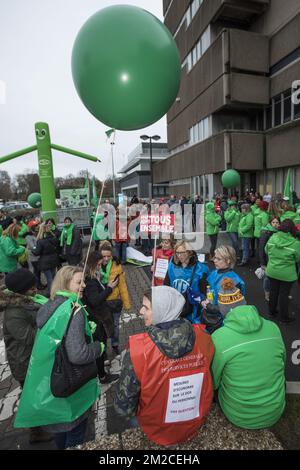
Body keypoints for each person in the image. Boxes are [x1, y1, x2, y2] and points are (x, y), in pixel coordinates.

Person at [14, 266, 102, 450]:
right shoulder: (74, 310)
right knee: (75, 435)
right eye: (79, 282)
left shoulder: (50, 304)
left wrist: (81, 333)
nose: (84, 285)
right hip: (71, 392)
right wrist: (98, 347)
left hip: (51, 386)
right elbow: (78, 355)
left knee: (60, 435)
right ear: (66, 283)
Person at [114, 286, 215, 447]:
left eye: (146, 307)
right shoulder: (204, 337)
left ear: (162, 311)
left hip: (154, 428)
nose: (140, 311)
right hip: (193, 422)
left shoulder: (139, 350)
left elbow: (123, 406)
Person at [211, 305, 286, 429]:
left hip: (237, 415)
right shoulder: (273, 328)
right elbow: (283, 363)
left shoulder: (218, 336)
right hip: (274, 411)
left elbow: (214, 382)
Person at [1, 268, 52, 444]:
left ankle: (42, 422)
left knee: (39, 393)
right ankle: (36, 432)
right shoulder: (14, 313)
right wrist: (49, 321)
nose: (36, 290)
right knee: (33, 397)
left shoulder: (27, 302)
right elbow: (30, 337)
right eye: (31, 288)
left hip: (33, 359)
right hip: (25, 363)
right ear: (21, 291)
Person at [83, 251, 120, 384]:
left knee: (101, 343)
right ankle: (102, 375)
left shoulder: (91, 276)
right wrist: (109, 288)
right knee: (100, 343)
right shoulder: (90, 280)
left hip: (97, 316)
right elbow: (95, 300)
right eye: (98, 264)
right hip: (97, 318)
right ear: (92, 264)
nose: (100, 266)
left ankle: (102, 364)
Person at [164, 240, 209, 324]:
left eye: (182, 252)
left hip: (193, 310)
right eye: (177, 253)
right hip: (175, 307)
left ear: (189, 252)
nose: (179, 255)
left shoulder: (201, 269)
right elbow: (166, 285)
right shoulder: (172, 266)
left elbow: (204, 293)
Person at [99, 242, 132, 356]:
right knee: (103, 327)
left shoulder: (117, 266)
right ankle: (102, 348)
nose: (106, 259)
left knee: (115, 326)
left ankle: (115, 344)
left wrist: (127, 303)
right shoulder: (96, 267)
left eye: (109, 256)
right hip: (101, 303)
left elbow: (122, 286)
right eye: (104, 256)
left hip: (115, 302)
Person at [265, 219, 300, 322]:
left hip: (272, 270)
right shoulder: (296, 243)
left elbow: (266, 250)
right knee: (284, 295)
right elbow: (298, 259)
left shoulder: (272, 238)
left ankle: (272, 312)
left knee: (273, 291)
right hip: (287, 274)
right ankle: (284, 317)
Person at [33, 222, 60, 294]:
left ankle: (52, 293)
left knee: (49, 278)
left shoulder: (40, 241)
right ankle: (56, 291)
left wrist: (33, 249)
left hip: (45, 261)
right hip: (54, 260)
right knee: (53, 276)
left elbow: (36, 253)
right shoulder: (54, 238)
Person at [258, 216, 280, 301]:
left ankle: (275, 292)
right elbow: (261, 248)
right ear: (270, 223)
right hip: (267, 260)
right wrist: (262, 263)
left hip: (276, 259)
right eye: (273, 222)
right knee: (267, 278)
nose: (275, 224)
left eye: (277, 222)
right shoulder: (266, 232)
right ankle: (267, 293)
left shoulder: (279, 232)